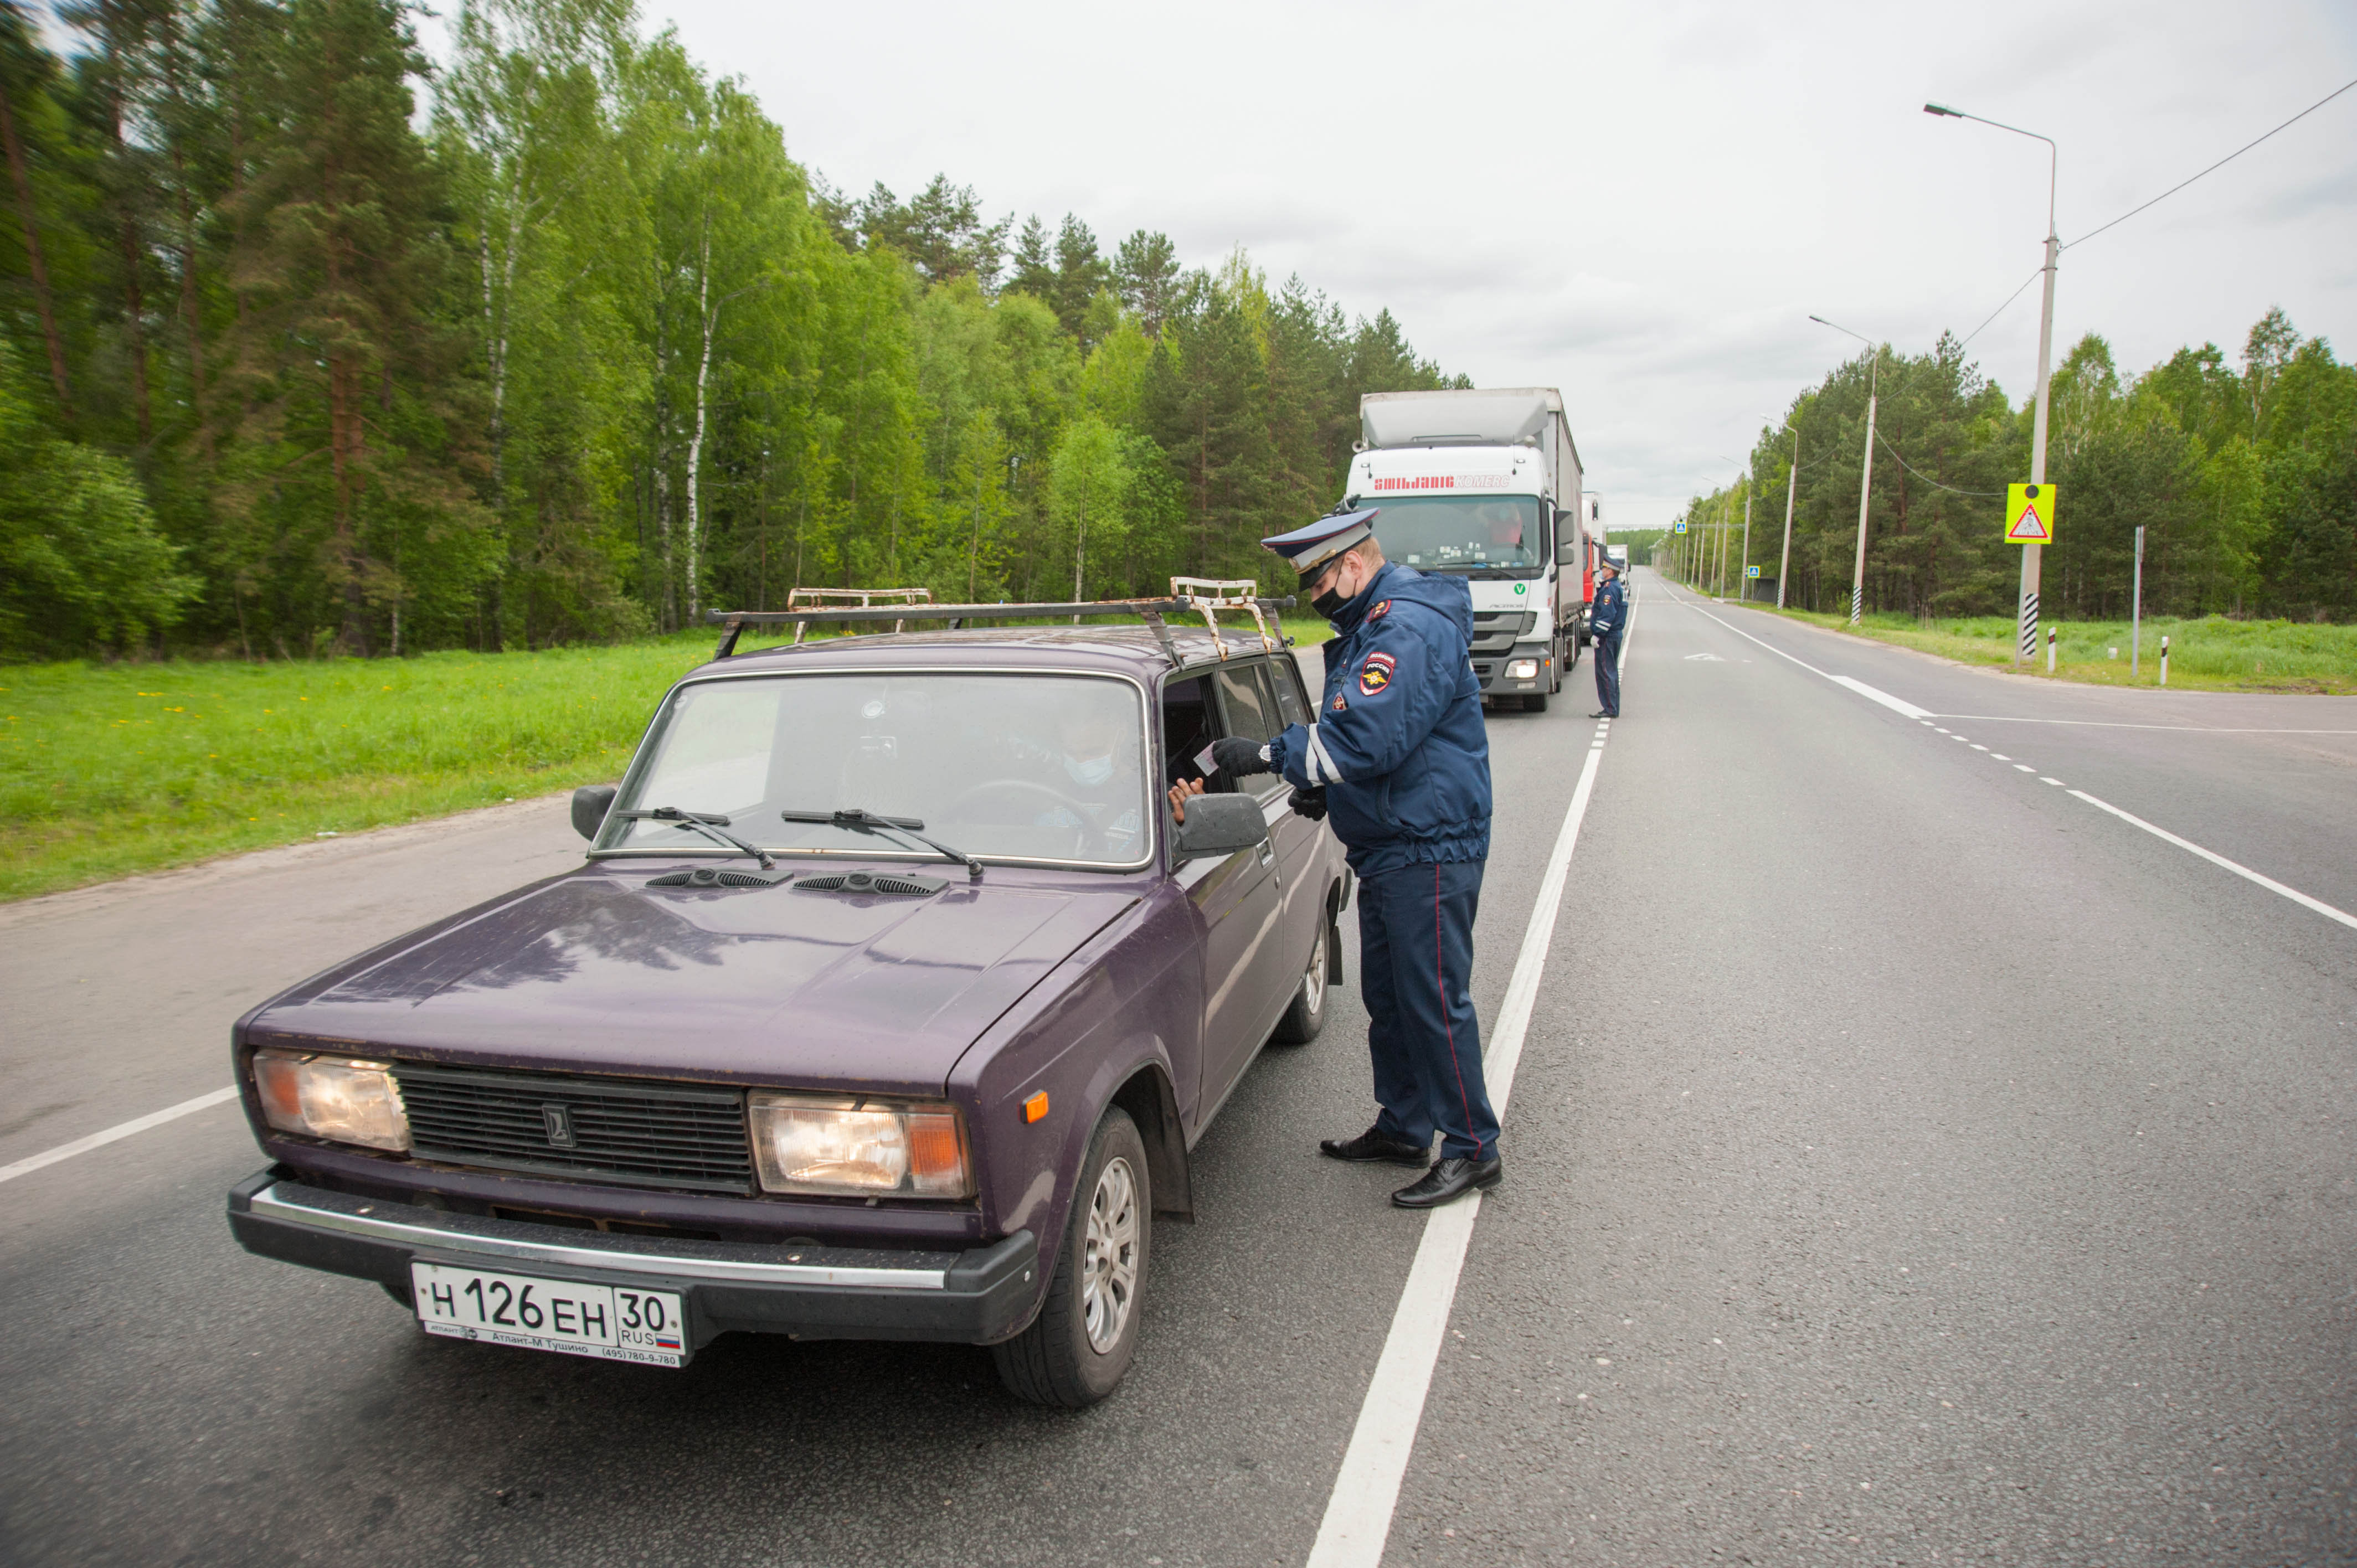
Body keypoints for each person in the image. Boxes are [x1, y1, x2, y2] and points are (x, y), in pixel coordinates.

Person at [1206, 507, 1503, 1209]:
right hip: (1394, 841)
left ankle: (1472, 1147)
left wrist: (1268, 756)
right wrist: (1329, 798)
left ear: (1353, 565)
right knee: (1392, 1000)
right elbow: (1378, 749)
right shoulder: (1373, 625)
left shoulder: (1405, 629)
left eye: (1318, 582)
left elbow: (1360, 742)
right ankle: (1405, 1126)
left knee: (1431, 999)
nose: (1314, 598)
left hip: (1428, 846)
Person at [1588, 555, 1627, 719]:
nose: (1602, 571)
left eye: (1604, 568)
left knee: (1606, 672)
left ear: (1611, 571)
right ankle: (1612, 707)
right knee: (1611, 671)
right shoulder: (1617, 587)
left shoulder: (1610, 589)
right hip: (1613, 636)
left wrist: (1598, 634)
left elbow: (1607, 614)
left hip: (1608, 637)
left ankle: (1610, 708)